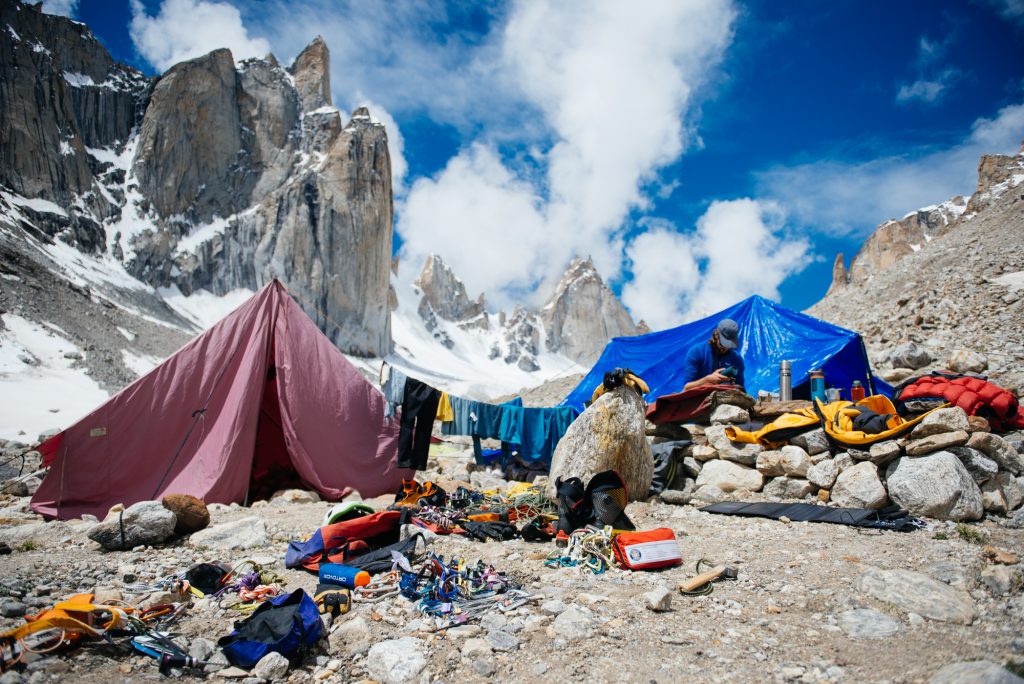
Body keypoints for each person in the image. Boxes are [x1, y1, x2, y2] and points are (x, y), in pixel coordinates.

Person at [681, 319, 745, 392]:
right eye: (723, 343)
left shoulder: (736, 359)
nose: (726, 348)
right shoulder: (697, 352)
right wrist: (706, 380)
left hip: (724, 396)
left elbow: (741, 389)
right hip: (698, 396)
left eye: (729, 345)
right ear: (716, 335)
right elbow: (686, 388)